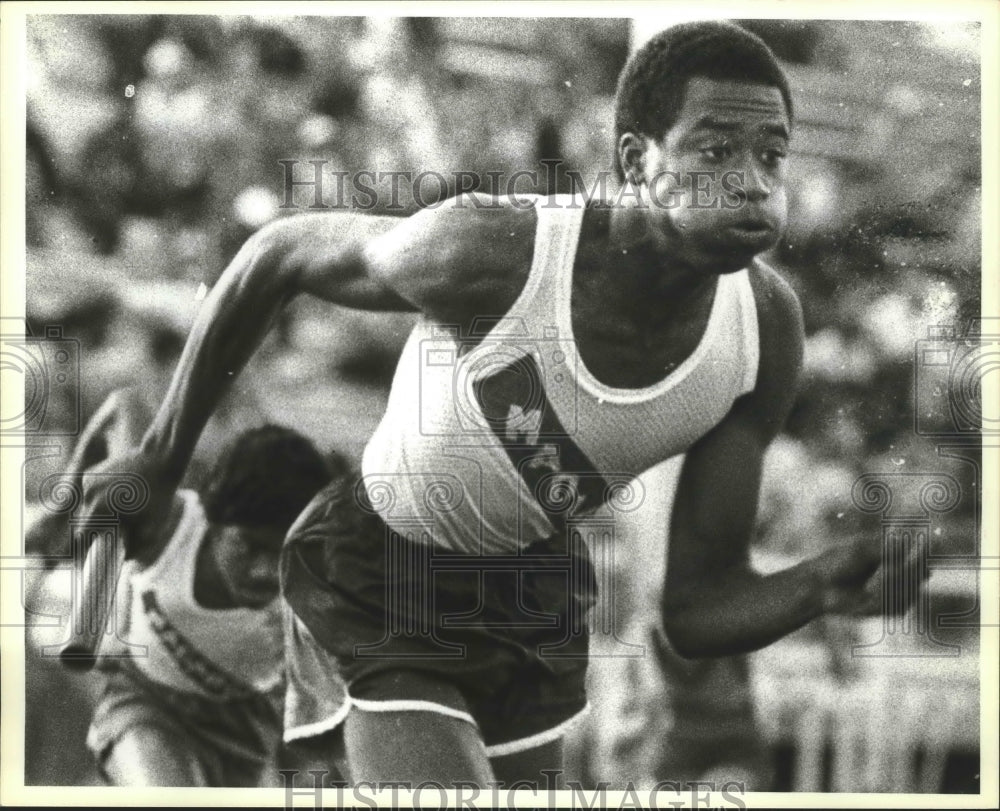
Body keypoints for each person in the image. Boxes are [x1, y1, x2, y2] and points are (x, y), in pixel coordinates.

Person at [84, 21, 929, 788]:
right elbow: (279, 251)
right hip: (380, 571)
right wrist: (161, 454)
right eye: (715, 151)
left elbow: (695, 607)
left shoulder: (765, 332)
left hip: (529, 596)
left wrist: (817, 585)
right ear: (636, 161)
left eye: (772, 156)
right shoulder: (498, 249)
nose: (751, 182)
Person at [72, 389, 333, 786]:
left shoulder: (310, 594)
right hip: (147, 703)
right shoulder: (168, 526)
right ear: (212, 519)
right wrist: (61, 506)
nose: (266, 572)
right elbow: (125, 404)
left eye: (283, 553)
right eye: (251, 546)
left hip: (245, 740)